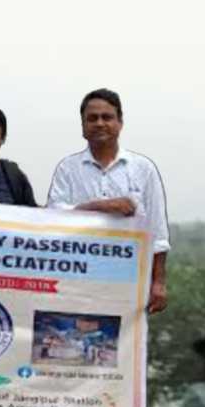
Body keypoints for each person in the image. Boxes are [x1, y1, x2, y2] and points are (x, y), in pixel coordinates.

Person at [46, 89, 169, 313]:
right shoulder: (67, 168)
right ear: (83, 127)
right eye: (92, 118)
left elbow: (157, 231)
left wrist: (158, 282)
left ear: (120, 123)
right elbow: (54, 218)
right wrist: (99, 206)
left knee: (123, 343)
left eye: (107, 117)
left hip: (128, 279)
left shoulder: (143, 169)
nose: (100, 123)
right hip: (75, 278)